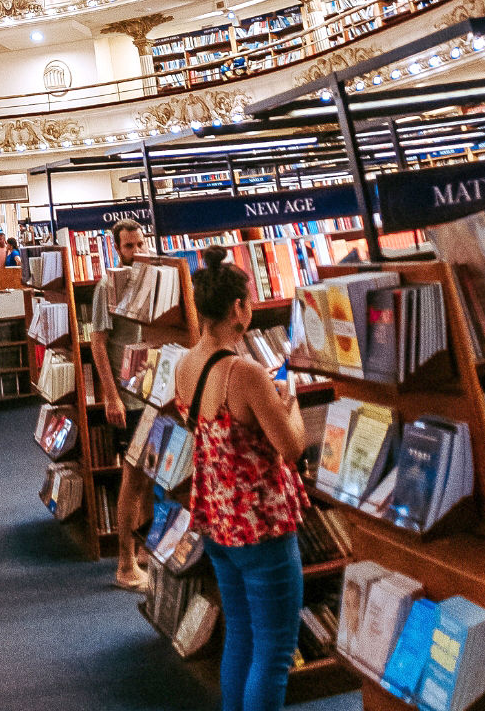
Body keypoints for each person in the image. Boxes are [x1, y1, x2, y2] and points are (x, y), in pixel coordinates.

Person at [173, 249, 307, 711]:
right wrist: (290, 401)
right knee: (274, 654)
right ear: (238, 309)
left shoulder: (185, 365)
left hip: (218, 522)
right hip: (261, 525)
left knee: (242, 639)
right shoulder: (247, 373)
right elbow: (291, 448)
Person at [89, 220, 157, 589]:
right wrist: (111, 394)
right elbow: (99, 343)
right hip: (128, 397)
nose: (136, 252)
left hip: (153, 394)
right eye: (129, 247)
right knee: (132, 479)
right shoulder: (107, 286)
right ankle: (125, 562)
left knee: (148, 476)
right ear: (118, 249)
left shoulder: (155, 280)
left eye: (140, 244)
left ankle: (144, 550)